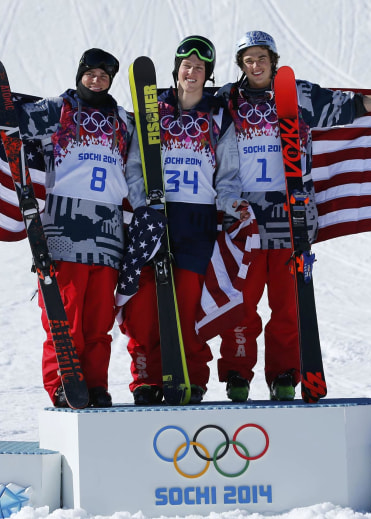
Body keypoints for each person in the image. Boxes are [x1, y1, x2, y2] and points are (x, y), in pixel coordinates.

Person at [216, 30, 371, 402]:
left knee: (287, 307)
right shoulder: (225, 100)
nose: (255, 65)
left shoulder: (298, 95)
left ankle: (283, 374)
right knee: (242, 306)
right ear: (240, 65)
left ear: (273, 59)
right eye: (248, 60)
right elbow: (189, 118)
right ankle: (237, 374)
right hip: (244, 221)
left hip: (291, 219)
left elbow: (353, 106)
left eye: (261, 58)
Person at [0, 49, 142, 408]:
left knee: (97, 323)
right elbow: (8, 121)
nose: (96, 80)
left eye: (103, 76)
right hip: (64, 226)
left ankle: (94, 385)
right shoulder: (59, 109)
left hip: (108, 230)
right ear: (80, 75)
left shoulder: (124, 120)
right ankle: (63, 383)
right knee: (65, 318)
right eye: (90, 74)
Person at [119, 35, 248, 405]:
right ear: (176, 69)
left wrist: (229, 203)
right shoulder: (152, 110)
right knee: (144, 305)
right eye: (186, 65)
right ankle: (147, 378)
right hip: (155, 216)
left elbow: (227, 172)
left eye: (200, 68)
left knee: (188, 304)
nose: (192, 72)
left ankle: (191, 378)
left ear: (207, 75)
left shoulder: (219, 115)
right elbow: (133, 166)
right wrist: (145, 207)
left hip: (197, 218)